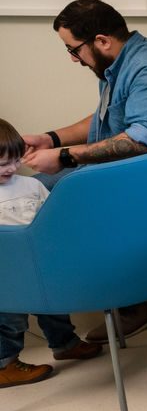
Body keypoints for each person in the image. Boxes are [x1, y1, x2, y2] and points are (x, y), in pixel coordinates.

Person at [20, 0, 147, 343]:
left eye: (74, 49)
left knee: (54, 198)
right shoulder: (120, 63)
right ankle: (110, 298)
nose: (72, 58)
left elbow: (142, 141)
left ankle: (129, 304)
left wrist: (65, 157)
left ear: (102, 41)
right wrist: (50, 139)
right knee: (35, 189)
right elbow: (106, 120)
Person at [0, 119, 102, 388]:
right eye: (2, 165)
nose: (11, 168)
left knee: (54, 307)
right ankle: (6, 364)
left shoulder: (30, 186)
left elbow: (50, 217)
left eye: (14, 160)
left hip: (38, 262)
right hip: (6, 273)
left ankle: (64, 344)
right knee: (10, 319)